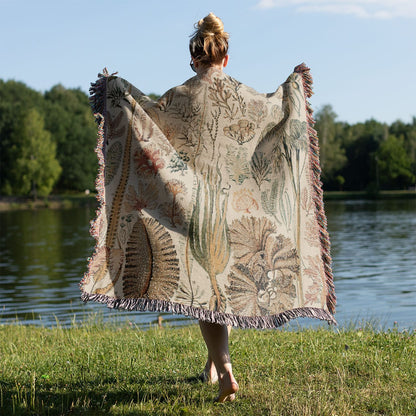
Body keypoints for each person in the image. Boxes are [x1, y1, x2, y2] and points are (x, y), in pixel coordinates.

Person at [82, 12, 336, 404]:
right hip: (234, 210)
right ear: (226, 58)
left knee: (207, 293)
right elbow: (274, 112)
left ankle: (225, 372)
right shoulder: (244, 96)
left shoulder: (178, 96)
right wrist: (294, 88)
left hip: (194, 210)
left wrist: (116, 91)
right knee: (215, 292)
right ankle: (213, 366)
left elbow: (145, 120)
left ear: (193, 59)